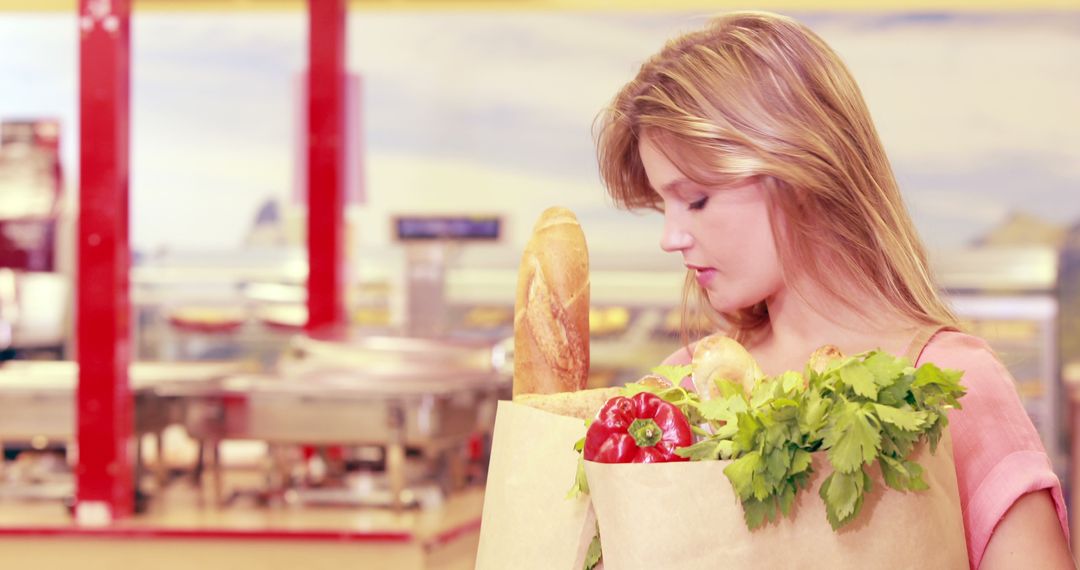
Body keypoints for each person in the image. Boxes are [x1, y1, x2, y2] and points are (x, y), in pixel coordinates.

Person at [594, 10, 1072, 569]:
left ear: (800, 171)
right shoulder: (677, 394)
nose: (670, 237)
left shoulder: (950, 384)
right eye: (663, 204)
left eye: (696, 198)